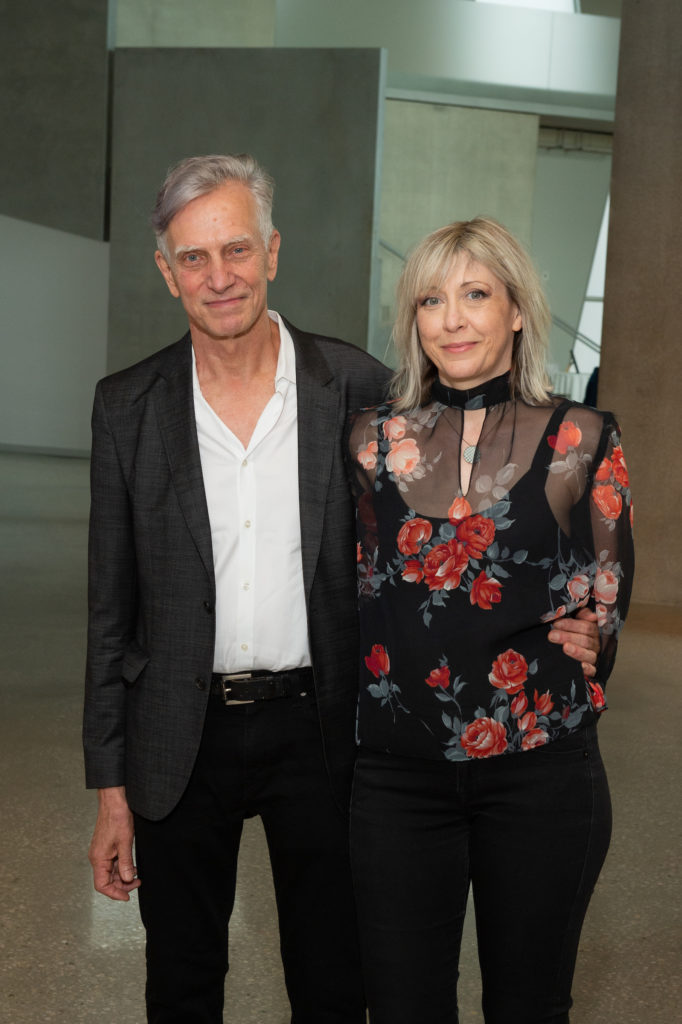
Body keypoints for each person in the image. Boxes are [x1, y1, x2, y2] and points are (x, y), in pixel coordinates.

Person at [83, 157, 600, 1024]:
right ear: (165, 271)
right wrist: (109, 787)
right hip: (178, 733)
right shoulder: (125, 406)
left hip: (324, 734)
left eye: (237, 249)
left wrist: (571, 620)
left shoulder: (360, 392)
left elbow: (462, 527)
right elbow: (111, 608)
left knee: (335, 982)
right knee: (178, 983)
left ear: (274, 252)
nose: (220, 278)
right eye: (194, 257)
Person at [346, 217, 634, 1024]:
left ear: (515, 310)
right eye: (432, 299)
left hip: (540, 771)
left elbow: (606, 591)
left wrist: (594, 640)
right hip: (397, 779)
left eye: (475, 294)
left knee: (530, 1005)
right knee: (402, 1005)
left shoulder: (582, 435)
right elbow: (350, 587)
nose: (452, 318)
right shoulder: (369, 442)